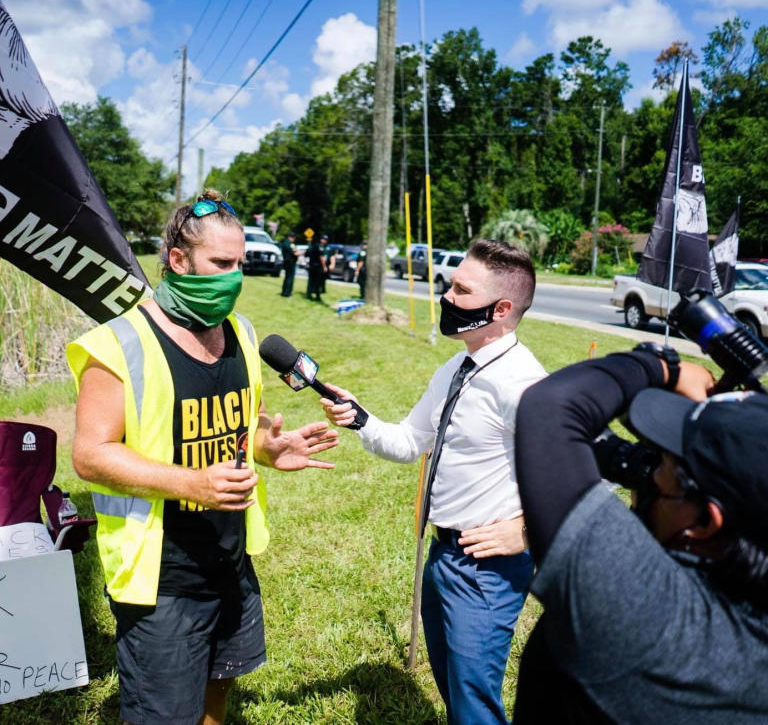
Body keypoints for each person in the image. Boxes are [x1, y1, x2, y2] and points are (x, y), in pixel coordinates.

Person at [67, 189, 339, 725]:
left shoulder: (241, 332)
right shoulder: (116, 345)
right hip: (162, 579)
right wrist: (191, 484)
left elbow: (243, 426)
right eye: (221, 263)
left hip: (230, 561)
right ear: (178, 260)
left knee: (217, 698)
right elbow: (90, 456)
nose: (234, 277)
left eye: (239, 263)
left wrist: (268, 447)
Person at [321, 239, 545, 724]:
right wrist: (359, 418)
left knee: (474, 706)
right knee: (454, 691)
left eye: (461, 290)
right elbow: (408, 441)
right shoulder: (455, 368)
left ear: (500, 308)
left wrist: (525, 530)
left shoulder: (522, 383)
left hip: (486, 568)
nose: (446, 297)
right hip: (442, 555)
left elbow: (582, 474)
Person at [513, 344, 768, 723]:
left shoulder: (660, 623)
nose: (650, 475)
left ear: (704, 524)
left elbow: (552, 409)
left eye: (664, 465)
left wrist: (661, 367)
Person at [306, 234, 326, 301]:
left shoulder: (312, 246)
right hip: (317, 267)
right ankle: (317, 296)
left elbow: (307, 254)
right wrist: (324, 266)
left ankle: (308, 295)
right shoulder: (320, 247)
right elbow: (321, 257)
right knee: (318, 282)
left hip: (311, 266)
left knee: (310, 281)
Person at [280, 231, 298, 297]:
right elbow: (295, 253)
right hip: (291, 263)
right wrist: (303, 253)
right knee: (290, 278)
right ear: (292, 237)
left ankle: (284, 291)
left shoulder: (284, 243)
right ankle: (287, 293)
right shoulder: (291, 244)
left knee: (286, 277)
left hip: (286, 262)